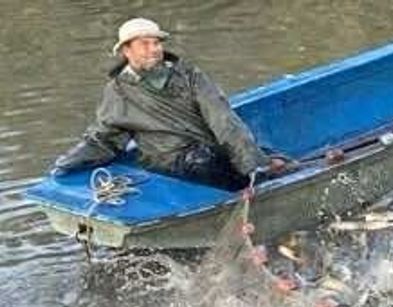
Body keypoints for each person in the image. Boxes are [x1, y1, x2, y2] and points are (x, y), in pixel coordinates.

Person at [51, 17, 285, 190]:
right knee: (217, 163)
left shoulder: (189, 75)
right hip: (167, 165)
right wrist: (67, 163)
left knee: (268, 159)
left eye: (157, 43)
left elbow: (223, 120)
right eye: (145, 44)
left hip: (205, 154)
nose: (154, 50)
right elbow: (104, 139)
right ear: (126, 50)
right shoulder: (118, 91)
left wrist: (252, 163)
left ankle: (263, 179)